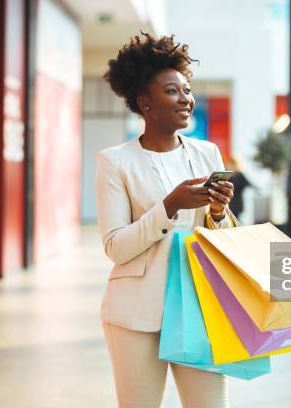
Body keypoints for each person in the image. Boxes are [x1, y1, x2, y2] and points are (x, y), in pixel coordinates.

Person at [96, 32, 234, 407]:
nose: (186, 99)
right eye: (172, 91)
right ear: (145, 102)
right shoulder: (115, 161)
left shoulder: (208, 154)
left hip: (201, 307)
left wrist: (219, 213)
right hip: (136, 315)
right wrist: (168, 207)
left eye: (187, 90)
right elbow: (115, 247)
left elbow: (224, 238)